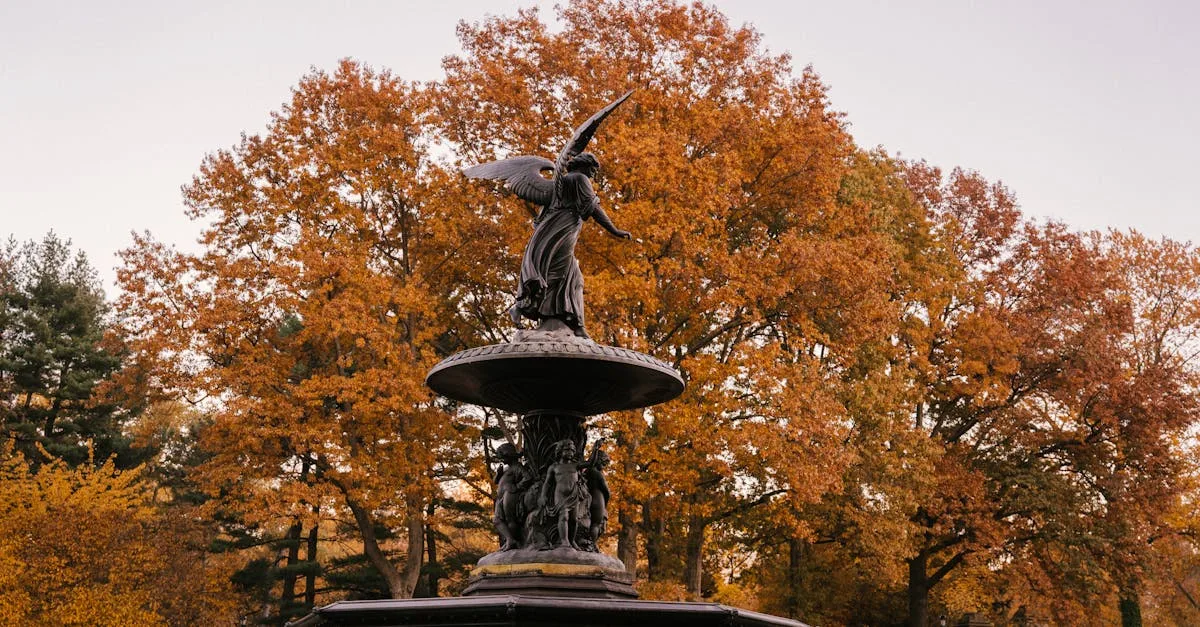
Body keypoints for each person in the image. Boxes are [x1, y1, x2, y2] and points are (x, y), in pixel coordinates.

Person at [512, 152, 631, 338]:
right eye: (592, 169)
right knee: (560, 273)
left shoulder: (560, 183)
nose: (593, 174)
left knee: (571, 275)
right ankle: (554, 319)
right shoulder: (579, 179)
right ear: (583, 166)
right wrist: (614, 230)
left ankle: (574, 323)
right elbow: (594, 208)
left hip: (552, 229)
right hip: (562, 228)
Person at [539, 439, 586, 549]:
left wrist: (596, 449)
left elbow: (590, 463)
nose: (570, 453)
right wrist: (543, 495)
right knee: (563, 516)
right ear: (560, 451)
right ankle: (564, 541)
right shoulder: (554, 467)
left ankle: (572, 540)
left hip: (573, 495)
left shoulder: (575, 465)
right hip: (560, 495)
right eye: (567, 450)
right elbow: (547, 483)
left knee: (574, 519)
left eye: (572, 450)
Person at [493, 443, 534, 550]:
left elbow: (527, 477)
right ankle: (510, 539)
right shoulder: (506, 469)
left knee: (510, 519)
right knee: (497, 520)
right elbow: (495, 481)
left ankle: (514, 541)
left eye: (503, 457)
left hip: (510, 494)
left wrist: (516, 487)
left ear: (509, 455)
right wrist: (498, 474)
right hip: (501, 497)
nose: (502, 460)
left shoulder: (517, 467)